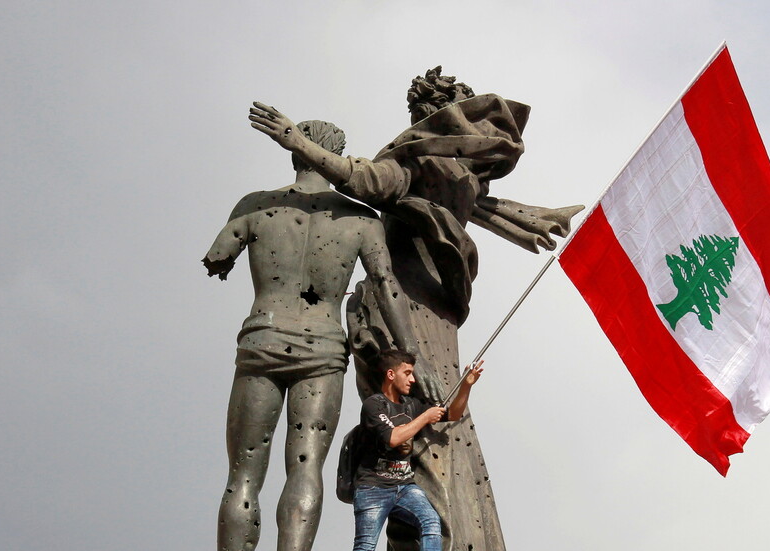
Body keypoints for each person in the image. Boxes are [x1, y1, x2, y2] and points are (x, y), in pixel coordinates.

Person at [248, 67, 582, 551]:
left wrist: (534, 217)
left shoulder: (449, 170)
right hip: (397, 309)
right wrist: (297, 141)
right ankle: (437, 536)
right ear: (440, 116)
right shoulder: (405, 165)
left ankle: (462, 534)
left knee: (447, 427)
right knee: (424, 435)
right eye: (464, 112)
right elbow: (358, 177)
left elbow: (477, 207)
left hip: (439, 315)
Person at [203, 119, 442, 551]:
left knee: (242, 472)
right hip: (323, 349)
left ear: (296, 153)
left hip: (263, 338)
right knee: (306, 466)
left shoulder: (256, 204)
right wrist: (414, 356)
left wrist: (225, 261)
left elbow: (217, 257)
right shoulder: (361, 220)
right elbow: (387, 287)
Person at [353, 350, 483, 551]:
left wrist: (466, 385)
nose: (412, 379)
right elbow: (393, 438)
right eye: (407, 373)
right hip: (373, 487)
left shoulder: (412, 405)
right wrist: (425, 417)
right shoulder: (375, 405)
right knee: (365, 545)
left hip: (405, 487)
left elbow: (454, 413)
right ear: (390, 375)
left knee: (431, 522)